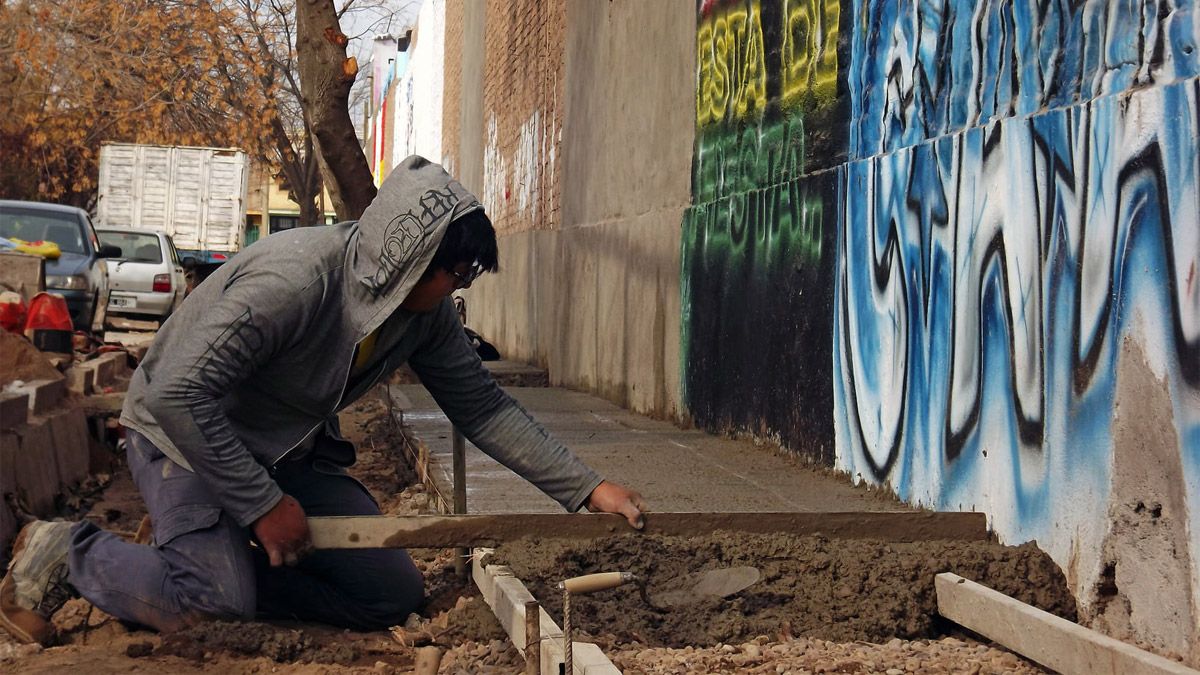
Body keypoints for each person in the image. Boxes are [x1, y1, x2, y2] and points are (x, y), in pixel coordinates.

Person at [0, 156, 648, 645]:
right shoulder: (294, 283)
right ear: (411, 259)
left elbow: (482, 407)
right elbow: (177, 394)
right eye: (457, 272)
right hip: (182, 438)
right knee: (214, 603)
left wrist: (586, 487)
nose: (461, 286)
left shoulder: (423, 316)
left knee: (388, 593)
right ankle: (69, 551)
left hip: (284, 450)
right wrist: (260, 504)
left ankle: (206, 555)